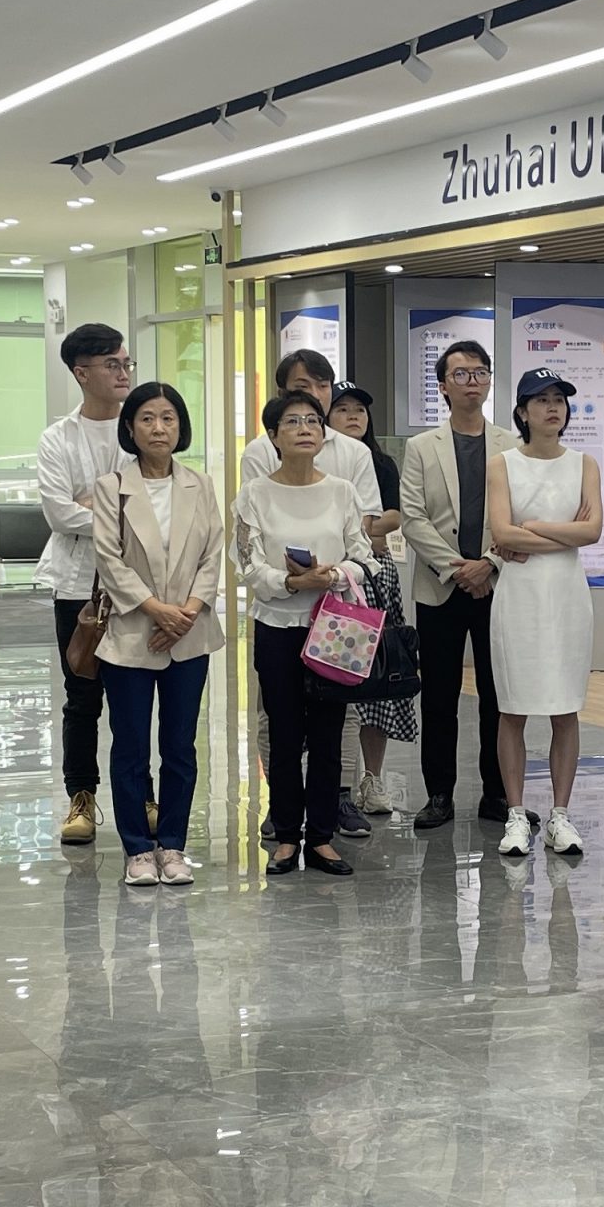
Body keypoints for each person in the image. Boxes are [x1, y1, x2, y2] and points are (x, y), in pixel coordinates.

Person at [241, 349, 385, 840]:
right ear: (274, 436)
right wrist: (290, 583)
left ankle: (322, 836)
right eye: (293, 421)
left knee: (328, 733)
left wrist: (334, 574)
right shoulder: (255, 493)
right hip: (277, 624)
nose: (305, 428)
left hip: (333, 624)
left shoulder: (342, 491)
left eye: (312, 422)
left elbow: (364, 556)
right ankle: (285, 833)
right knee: (283, 732)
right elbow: (247, 563)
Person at [91, 382, 225, 887]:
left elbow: (213, 555)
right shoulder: (112, 488)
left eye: (168, 418)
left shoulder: (200, 485)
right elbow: (109, 559)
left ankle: (172, 845)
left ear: (180, 427)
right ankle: (136, 849)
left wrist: (185, 613)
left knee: (180, 746)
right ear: (130, 428)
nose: (158, 428)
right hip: (133, 632)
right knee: (129, 747)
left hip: (189, 634)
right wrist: (156, 611)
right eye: (147, 418)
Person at [487, 368, 604, 856]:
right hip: (518, 594)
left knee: (565, 707)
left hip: (566, 594)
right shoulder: (502, 464)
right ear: (522, 411)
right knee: (513, 706)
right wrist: (560, 531)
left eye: (559, 399)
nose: (553, 407)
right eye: (541, 400)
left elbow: (592, 531)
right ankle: (516, 814)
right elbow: (502, 533)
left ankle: (560, 814)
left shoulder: (584, 464)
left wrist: (532, 527)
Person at [399, 341, 514, 830]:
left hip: (497, 587)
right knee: (440, 698)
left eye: (480, 372)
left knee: (498, 695)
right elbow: (412, 518)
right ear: (443, 386)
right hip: (440, 588)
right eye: (461, 374)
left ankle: (497, 793)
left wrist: (488, 563)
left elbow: (519, 516)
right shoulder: (421, 447)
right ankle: (439, 794)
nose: (472, 382)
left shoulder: (511, 444)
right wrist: (459, 569)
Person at [35, 323, 135, 848]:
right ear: (81, 373)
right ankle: (81, 798)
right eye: (112, 364)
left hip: (138, 582)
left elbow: (156, 502)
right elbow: (59, 513)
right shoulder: (58, 438)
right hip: (77, 584)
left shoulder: (140, 426)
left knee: (133, 698)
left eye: (126, 363)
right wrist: (116, 508)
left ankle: (139, 796)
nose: (123, 372)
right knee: (82, 696)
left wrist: (94, 505)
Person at [328, 381, 415, 815]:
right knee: (336, 680)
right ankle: (336, 781)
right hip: (331, 579)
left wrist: (355, 532)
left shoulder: (380, 462)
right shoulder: (317, 462)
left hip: (375, 578)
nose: (353, 416)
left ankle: (372, 778)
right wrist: (362, 531)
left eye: (359, 409)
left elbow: (394, 515)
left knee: (379, 680)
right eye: (343, 408)